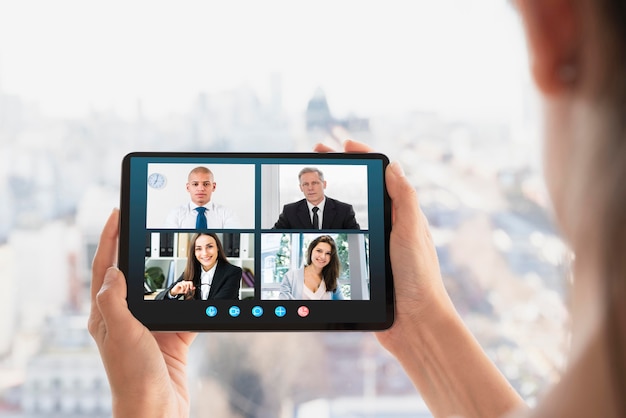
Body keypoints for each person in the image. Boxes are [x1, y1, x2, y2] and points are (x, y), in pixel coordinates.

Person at [89, 1, 626, 416]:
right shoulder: (281, 225)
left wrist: (147, 405)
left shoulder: (300, 237)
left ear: (553, 26)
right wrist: (418, 323)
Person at [155, 233, 241, 300]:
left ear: (217, 248)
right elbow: (158, 299)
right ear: (194, 253)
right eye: (199, 249)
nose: (205, 253)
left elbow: (218, 306)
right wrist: (173, 292)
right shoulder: (191, 272)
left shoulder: (233, 272)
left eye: (210, 247)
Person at [272, 167, 360, 230]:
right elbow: (273, 234)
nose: (310, 188)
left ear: (324, 184)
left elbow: (357, 237)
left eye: (314, 183)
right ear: (301, 188)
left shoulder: (344, 210)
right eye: (305, 184)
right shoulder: (289, 211)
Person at [164, 166, 240, 229]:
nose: (201, 189)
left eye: (206, 184)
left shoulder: (227, 213)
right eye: (195, 184)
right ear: (188, 188)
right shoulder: (175, 214)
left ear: (213, 187)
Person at [279, 235, 344, 300]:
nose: (323, 256)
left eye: (328, 253)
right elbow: (284, 306)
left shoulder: (333, 281)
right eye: (319, 251)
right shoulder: (290, 277)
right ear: (311, 251)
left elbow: (342, 307)